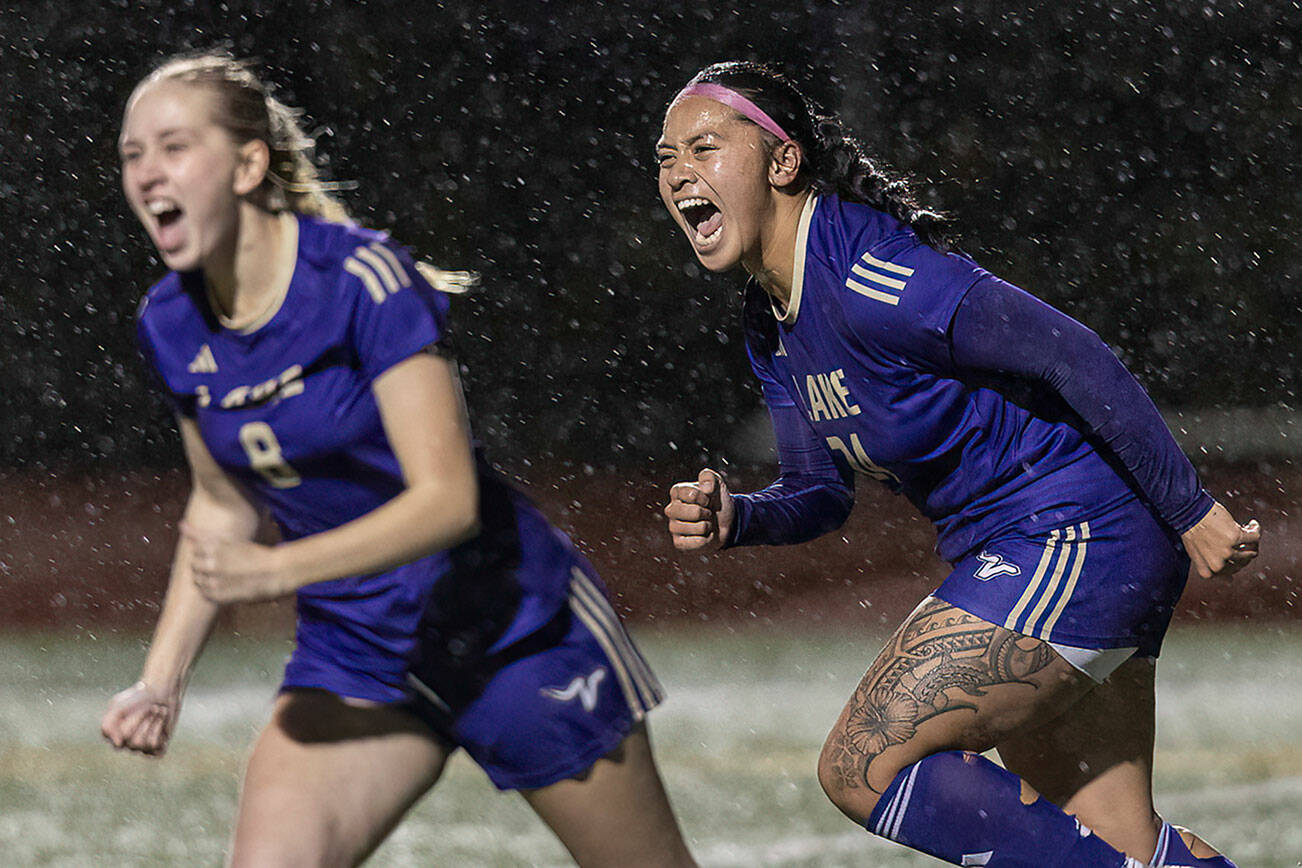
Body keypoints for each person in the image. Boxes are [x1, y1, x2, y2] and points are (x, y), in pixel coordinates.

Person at [100, 50, 696, 868]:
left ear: (247, 164)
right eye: (133, 154)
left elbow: (445, 499)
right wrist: (160, 679)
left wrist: (280, 571)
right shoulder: (168, 322)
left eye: (172, 146)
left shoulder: (360, 280)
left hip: (511, 632)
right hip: (356, 650)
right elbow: (222, 504)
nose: (146, 172)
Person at [657, 61, 1259, 868]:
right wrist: (741, 516)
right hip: (1056, 545)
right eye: (665, 158)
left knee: (861, 765)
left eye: (704, 146)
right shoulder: (771, 322)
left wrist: (1192, 511)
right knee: (1123, 846)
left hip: (1076, 533)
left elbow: (1067, 351)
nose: (680, 173)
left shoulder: (871, 276)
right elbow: (819, 493)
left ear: (783, 161)